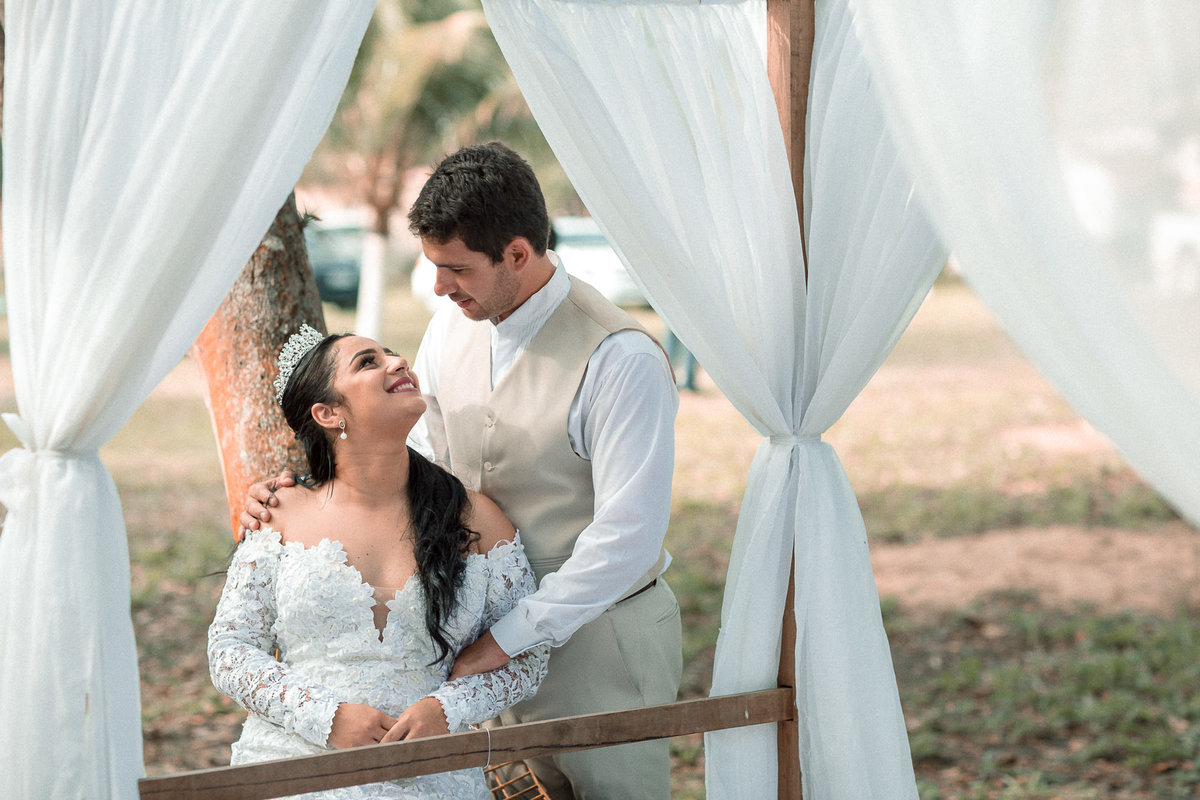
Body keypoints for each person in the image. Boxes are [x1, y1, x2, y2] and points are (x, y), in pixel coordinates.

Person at [244, 142, 683, 800]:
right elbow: (417, 470)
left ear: (516, 253)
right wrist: (301, 501)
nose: (440, 287)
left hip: (603, 650)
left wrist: (506, 639)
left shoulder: (619, 359)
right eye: (434, 268)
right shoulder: (451, 330)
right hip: (482, 655)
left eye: (455, 269)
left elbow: (629, 538)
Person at [211, 324, 548, 799]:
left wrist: (446, 709)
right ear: (328, 413)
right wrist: (327, 718)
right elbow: (230, 649)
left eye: (392, 354)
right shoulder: (279, 514)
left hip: (432, 774)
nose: (397, 362)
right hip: (293, 767)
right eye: (368, 362)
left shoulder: (476, 520)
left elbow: (528, 655)